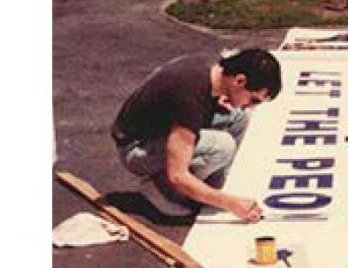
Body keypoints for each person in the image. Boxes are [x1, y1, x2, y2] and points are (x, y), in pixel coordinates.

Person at [111, 48, 282, 221]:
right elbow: (177, 175)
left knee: (239, 118)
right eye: (253, 100)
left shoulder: (214, 71)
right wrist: (231, 204)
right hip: (136, 148)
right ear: (240, 80)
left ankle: (203, 189)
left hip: (157, 129)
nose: (251, 105)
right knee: (222, 146)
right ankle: (162, 189)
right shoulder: (189, 95)